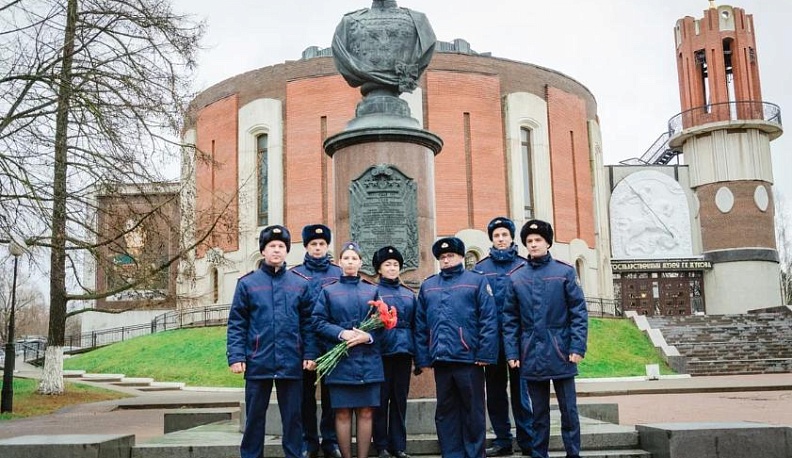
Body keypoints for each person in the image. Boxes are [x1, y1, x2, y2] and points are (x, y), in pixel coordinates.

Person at [226, 225, 317, 458]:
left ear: (286, 251)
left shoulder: (300, 284)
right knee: (255, 417)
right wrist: (236, 356)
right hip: (258, 361)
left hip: (291, 361)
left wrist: (309, 354)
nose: (276, 250)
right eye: (271, 246)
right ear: (263, 251)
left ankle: (294, 454)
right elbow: (238, 323)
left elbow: (308, 323)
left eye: (281, 246)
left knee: (293, 418)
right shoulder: (248, 284)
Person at [502, 220, 588, 458]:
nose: (533, 244)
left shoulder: (565, 272)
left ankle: (574, 453)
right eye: (529, 241)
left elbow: (578, 313)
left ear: (548, 242)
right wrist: (511, 352)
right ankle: (539, 454)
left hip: (561, 351)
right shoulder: (516, 278)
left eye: (538, 240)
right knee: (538, 414)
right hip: (531, 353)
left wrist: (577, 346)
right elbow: (510, 319)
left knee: (568, 411)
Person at [414, 237, 499, 458]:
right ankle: (451, 453)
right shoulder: (429, 285)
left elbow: (488, 319)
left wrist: (485, 353)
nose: (446, 260)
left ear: (461, 257)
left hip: (469, 359)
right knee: (446, 411)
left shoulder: (476, 281)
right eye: (442, 257)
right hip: (442, 360)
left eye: (450, 255)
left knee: (473, 410)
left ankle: (473, 453)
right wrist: (423, 357)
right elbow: (421, 324)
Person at [313, 242, 384, 458]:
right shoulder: (329, 291)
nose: (350, 262)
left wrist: (368, 336)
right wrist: (341, 333)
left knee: (366, 412)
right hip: (341, 362)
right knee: (342, 413)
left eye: (354, 258)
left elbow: (383, 324)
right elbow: (317, 321)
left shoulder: (372, 290)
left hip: (367, 362)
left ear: (360, 262)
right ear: (339, 262)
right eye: (346, 258)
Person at [476, 217, 534, 456]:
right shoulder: (481, 269)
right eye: (496, 236)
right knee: (496, 392)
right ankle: (502, 439)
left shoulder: (524, 266)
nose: (500, 239)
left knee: (521, 392)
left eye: (504, 235)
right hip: (491, 342)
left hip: (519, 341)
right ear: (491, 239)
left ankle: (527, 439)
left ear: (511, 238)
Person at [291, 224, 343, 458]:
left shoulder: (338, 273)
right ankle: (309, 440)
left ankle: (330, 440)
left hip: (331, 342)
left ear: (327, 246)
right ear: (306, 246)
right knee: (305, 397)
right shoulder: (296, 274)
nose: (318, 248)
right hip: (304, 345)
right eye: (314, 244)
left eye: (322, 244)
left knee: (332, 395)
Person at [371, 246, 417, 458]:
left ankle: (398, 445)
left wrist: (418, 356)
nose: (392, 268)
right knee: (380, 401)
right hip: (381, 353)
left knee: (399, 401)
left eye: (395, 265)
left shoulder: (409, 294)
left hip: (403, 353)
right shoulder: (373, 293)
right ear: (379, 269)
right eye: (387, 264)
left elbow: (418, 326)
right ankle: (381, 445)